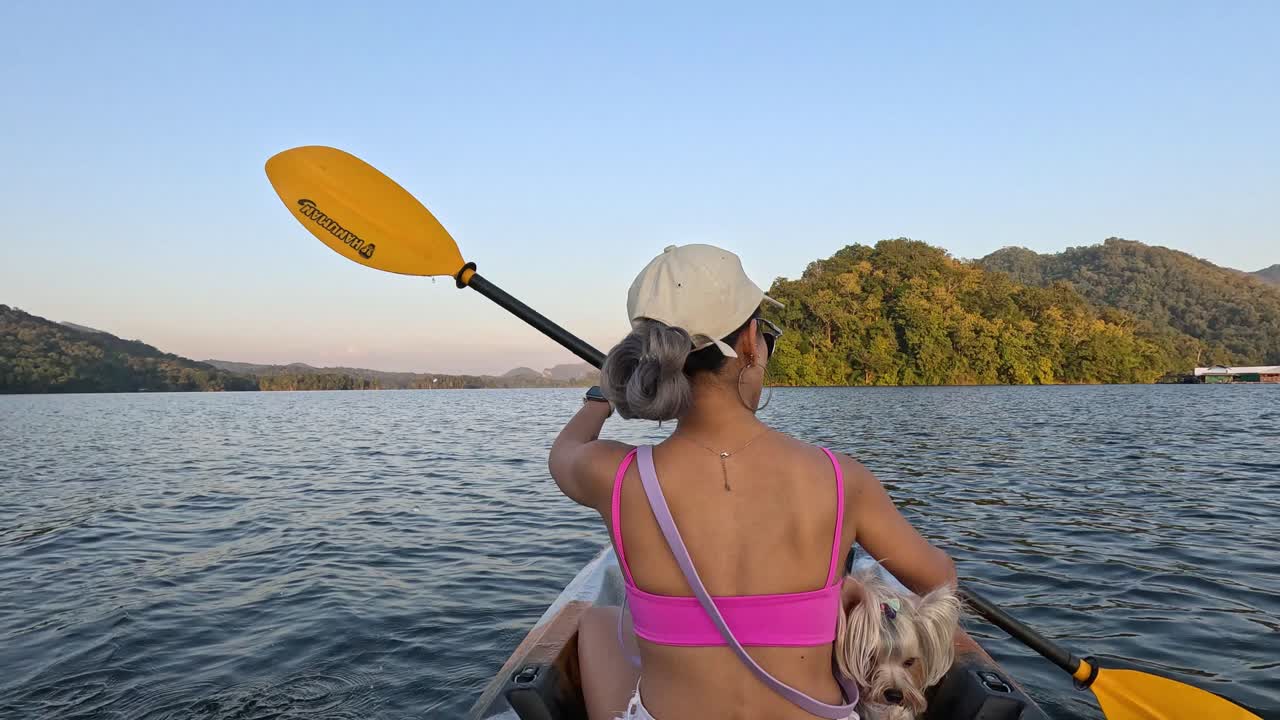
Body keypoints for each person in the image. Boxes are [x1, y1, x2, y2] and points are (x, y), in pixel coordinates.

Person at [549, 244, 957, 720]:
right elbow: (939, 579)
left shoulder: (612, 476)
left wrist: (600, 397)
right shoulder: (842, 478)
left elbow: (564, 451)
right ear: (748, 342)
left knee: (598, 621)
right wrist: (841, 594)